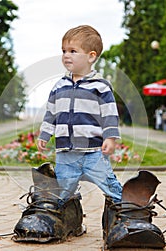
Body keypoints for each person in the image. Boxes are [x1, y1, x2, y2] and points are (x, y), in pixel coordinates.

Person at [37, 25, 122, 203]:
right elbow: (50, 114)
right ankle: (67, 219)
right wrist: (45, 134)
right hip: (65, 152)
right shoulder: (59, 86)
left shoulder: (100, 86)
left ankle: (124, 213)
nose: (66, 55)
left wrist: (110, 138)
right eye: (64, 51)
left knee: (110, 186)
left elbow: (110, 115)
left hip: (93, 152)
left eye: (73, 51)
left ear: (91, 56)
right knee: (62, 191)